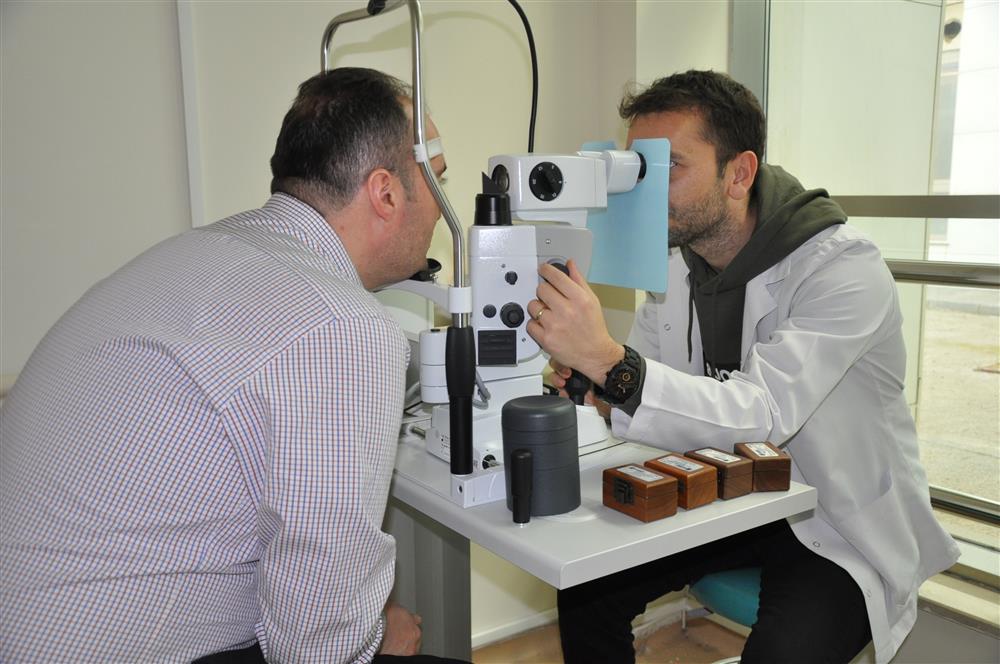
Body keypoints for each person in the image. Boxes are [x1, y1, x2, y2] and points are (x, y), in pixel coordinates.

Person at [0, 67, 465, 663]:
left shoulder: (200, 250)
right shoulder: (341, 326)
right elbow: (315, 644)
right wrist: (375, 640)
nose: (442, 210)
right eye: (437, 181)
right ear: (386, 193)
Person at [526, 70, 959, 664]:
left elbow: (763, 414)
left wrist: (610, 362)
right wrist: (598, 386)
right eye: (637, 169)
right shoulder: (675, 265)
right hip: (729, 496)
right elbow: (652, 387)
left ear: (739, 174)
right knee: (585, 590)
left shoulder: (842, 268)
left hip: (831, 519)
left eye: (668, 167)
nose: (644, 190)